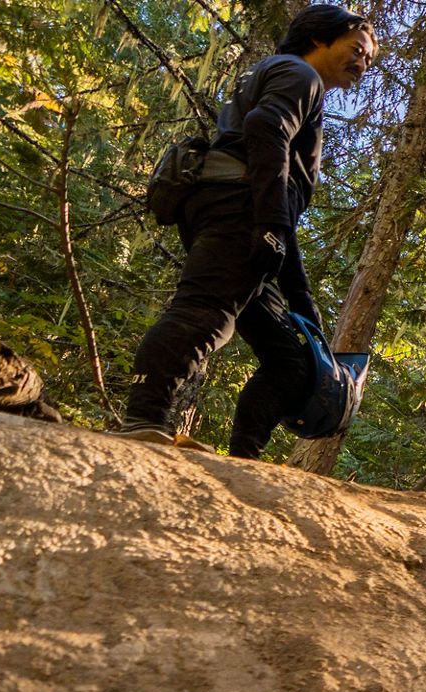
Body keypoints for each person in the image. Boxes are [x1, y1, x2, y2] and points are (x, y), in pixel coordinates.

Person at [107, 5, 377, 459]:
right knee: (204, 314)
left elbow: (282, 197)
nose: (362, 64)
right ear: (320, 38)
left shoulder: (285, 74)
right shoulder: (299, 74)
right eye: (356, 50)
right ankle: (144, 420)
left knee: (289, 360)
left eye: (368, 59)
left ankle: (244, 463)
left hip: (246, 211)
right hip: (240, 209)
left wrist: (302, 301)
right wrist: (270, 226)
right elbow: (264, 127)